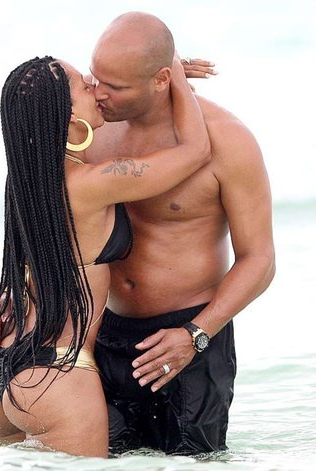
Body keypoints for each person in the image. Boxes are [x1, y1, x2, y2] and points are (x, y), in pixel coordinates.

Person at [0, 54, 210, 458]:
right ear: (68, 117)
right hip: (55, 374)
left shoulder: (26, 181)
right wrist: (171, 74)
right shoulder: (92, 182)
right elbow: (195, 151)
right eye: (85, 86)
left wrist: (146, 76)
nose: (95, 89)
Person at [85, 12, 275, 455]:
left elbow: (260, 260)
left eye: (116, 86)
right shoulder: (93, 128)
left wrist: (195, 334)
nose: (99, 94)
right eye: (96, 79)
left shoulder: (227, 140)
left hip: (189, 339)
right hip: (105, 331)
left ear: (160, 80)